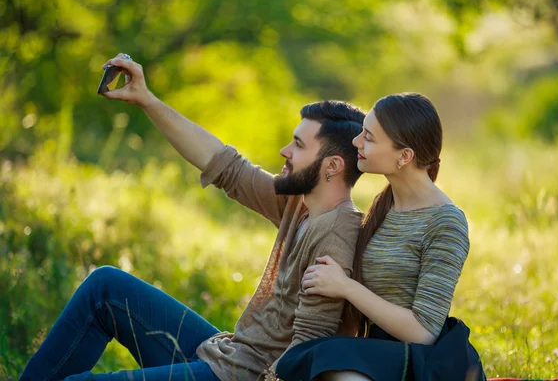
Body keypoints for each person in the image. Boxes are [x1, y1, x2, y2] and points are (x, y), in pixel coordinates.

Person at [19, 53, 366, 381]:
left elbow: (308, 352)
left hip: (242, 376)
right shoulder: (299, 202)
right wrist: (147, 100)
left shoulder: (335, 234)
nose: (285, 151)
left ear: (332, 167)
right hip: (225, 354)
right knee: (105, 287)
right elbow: (224, 164)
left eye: (299, 145)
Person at [275, 93, 486, 381]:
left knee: (328, 361)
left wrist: (345, 287)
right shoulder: (383, 206)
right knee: (309, 358)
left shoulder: (446, 221)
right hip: (378, 351)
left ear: (405, 156)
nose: (356, 142)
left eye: (369, 137)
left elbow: (423, 332)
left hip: (425, 363)